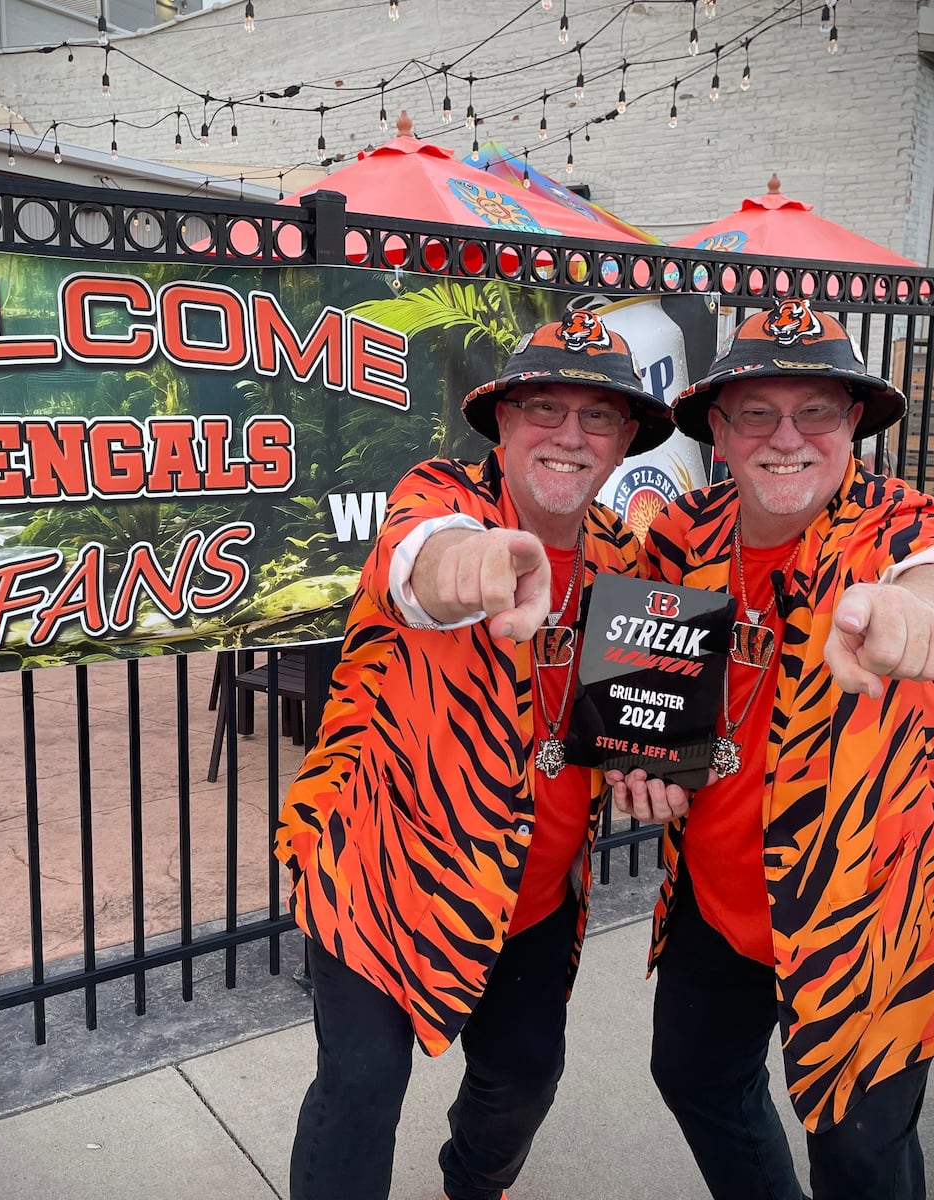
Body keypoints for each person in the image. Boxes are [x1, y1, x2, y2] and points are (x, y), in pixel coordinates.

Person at [610, 299, 934, 1200]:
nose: (785, 436)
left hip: (869, 914)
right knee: (694, 1077)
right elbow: (646, 695)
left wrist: (924, 613)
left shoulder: (896, 528)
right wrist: (639, 761)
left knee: (861, 1157)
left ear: (853, 426)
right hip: (718, 902)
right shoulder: (680, 537)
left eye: (816, 411)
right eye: (757, 411)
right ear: (718, 428)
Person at [274, 314, 675, 1200]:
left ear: (622, 444)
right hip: (383, 875)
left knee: (526, 1076)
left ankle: (473, 1185)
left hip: (533, 891)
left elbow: (631, 718)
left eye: (597, 417)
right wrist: (470, 565)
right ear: (500, 422)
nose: (569, 434)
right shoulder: (441, 497)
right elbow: (417, 557)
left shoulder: (626, 558)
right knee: (361, 1090)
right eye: (543, 407)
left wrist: (647, 759)